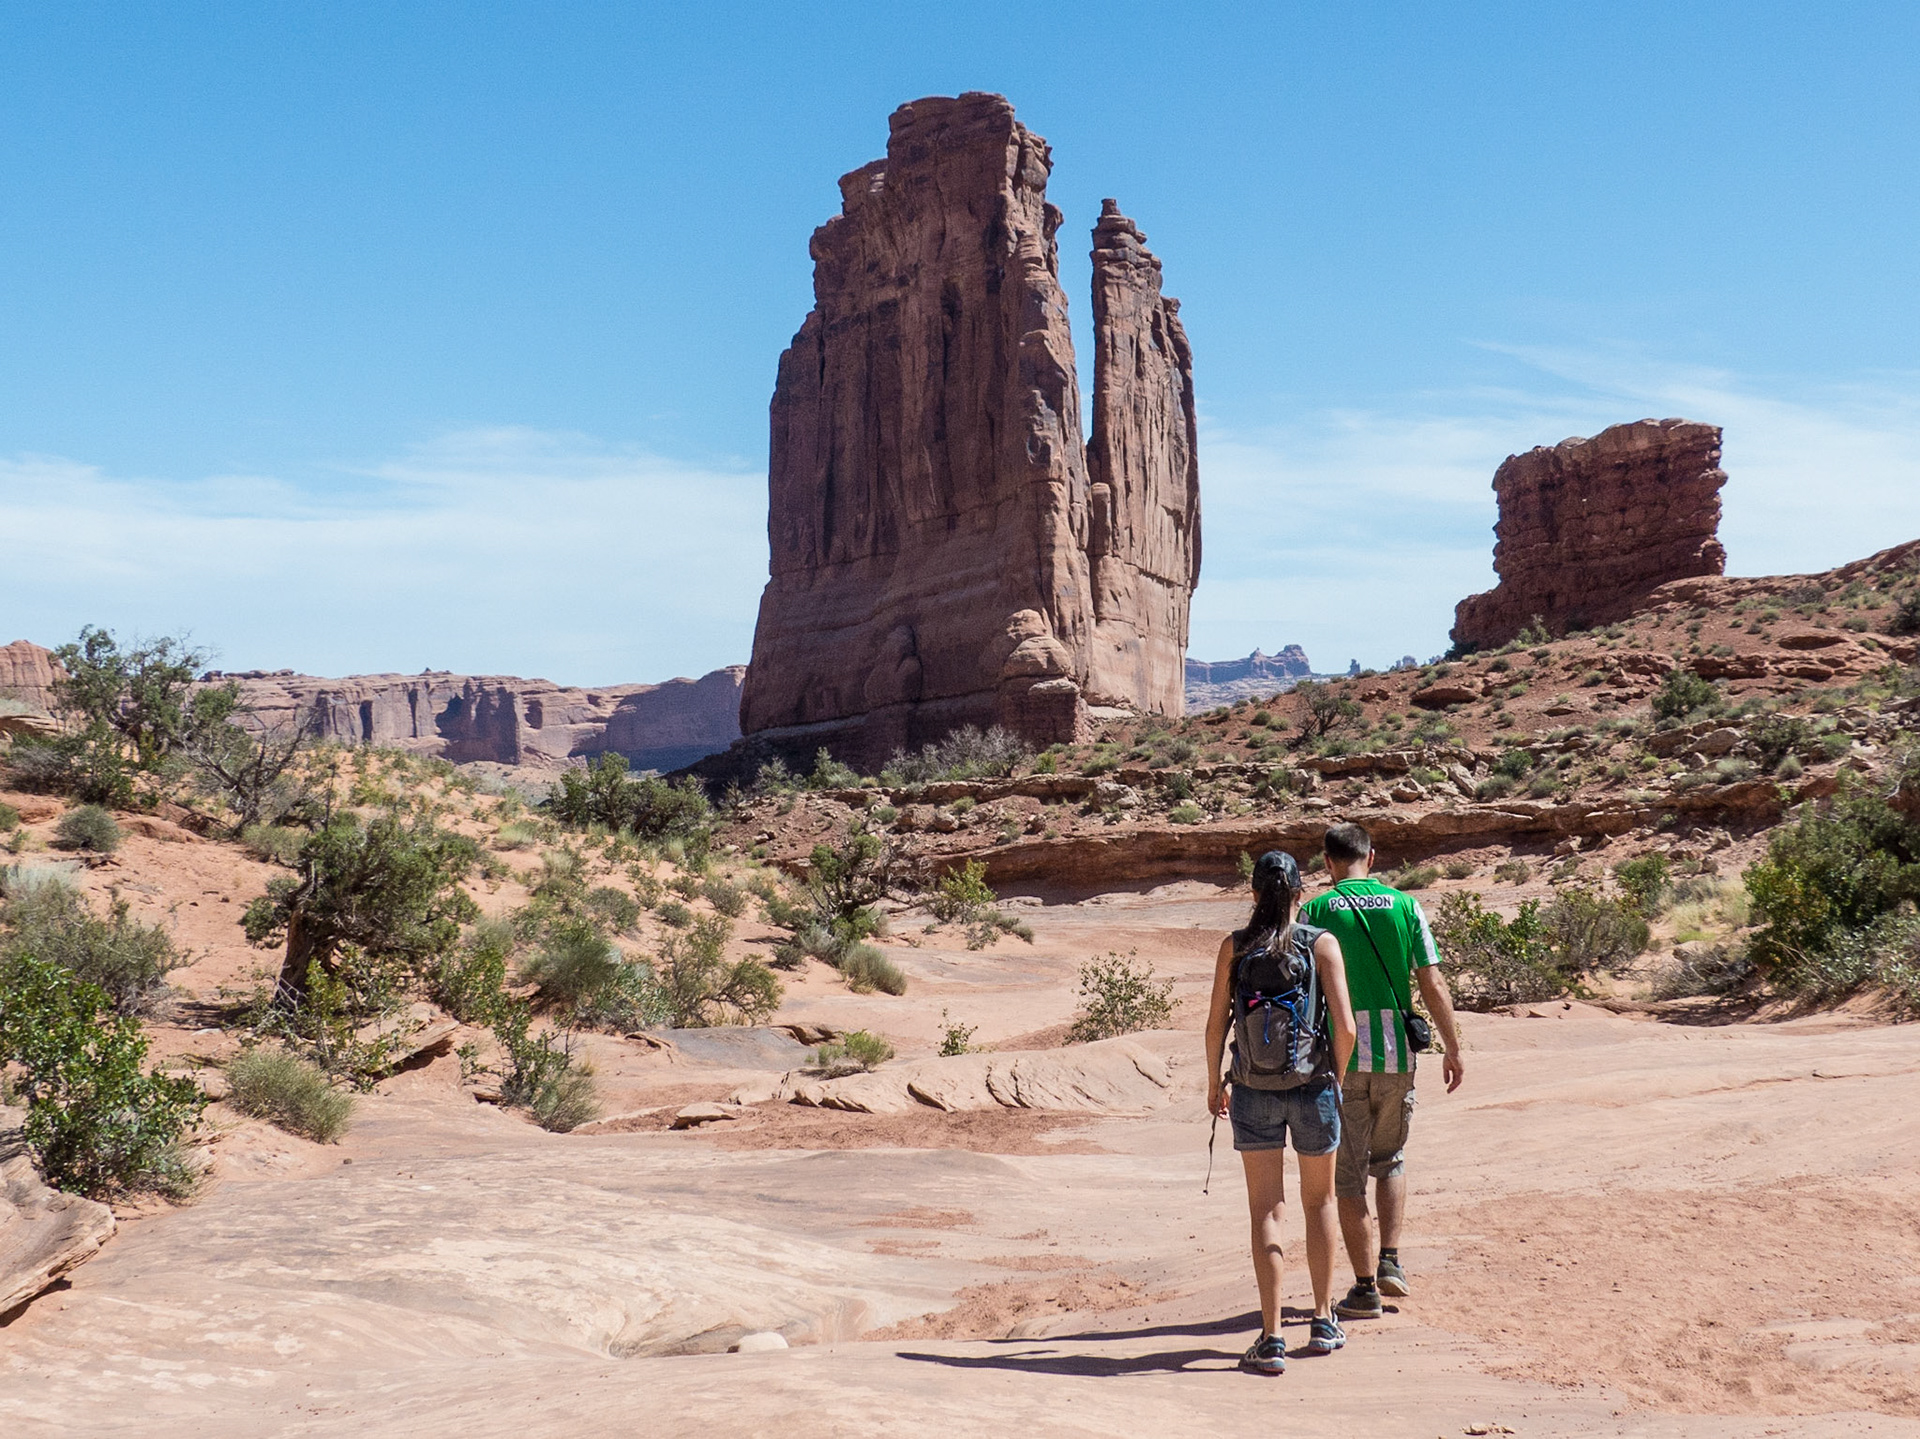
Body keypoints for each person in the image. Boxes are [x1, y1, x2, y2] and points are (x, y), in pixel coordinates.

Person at [1297, 822, 1464, 1322]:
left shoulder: (1316, 911)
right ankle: (1391, 1259)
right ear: (1372, 858)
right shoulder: (1405, 906)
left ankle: (1365, 1287)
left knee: (1347, 1178)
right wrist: (1453, 1048)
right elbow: (1431, 980)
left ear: (1328, 862)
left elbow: (1303, 987)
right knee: (1390, 1159)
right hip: (1397, 1056)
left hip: (1341, 1057)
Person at [1204, 850, 1358, 1376]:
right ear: (1300, 894)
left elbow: (1216, 1024)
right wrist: (1335, 1080)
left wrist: (1214, 1083)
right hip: (1312, 1087)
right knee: (1321, 1202)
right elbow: (1346, 1027)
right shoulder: (1321, 943)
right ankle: (1322, 1320)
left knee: (1267, 1210)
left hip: (1252, 1090)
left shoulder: (1235, 946)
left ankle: (1271, 1338)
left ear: (1253, 893)